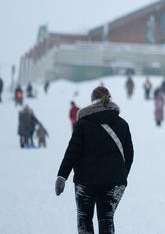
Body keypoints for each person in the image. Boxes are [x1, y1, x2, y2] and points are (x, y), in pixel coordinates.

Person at [55, 86, 134, 234]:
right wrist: (121, 175)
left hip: (86, 181)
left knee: (84, 218)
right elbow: (129, 154)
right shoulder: (122, 124)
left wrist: (62, 176)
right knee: (106, 220)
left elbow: (72, 152)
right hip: (113, 181)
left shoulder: (83, 124)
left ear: (92, 101)